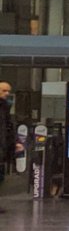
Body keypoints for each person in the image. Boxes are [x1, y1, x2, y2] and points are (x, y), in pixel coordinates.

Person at [0, 81, 22, 212]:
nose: (7, 93)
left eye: (8, 91)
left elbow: (8, 128)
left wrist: (15, 143)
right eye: (4, 91)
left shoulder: (5, 108)